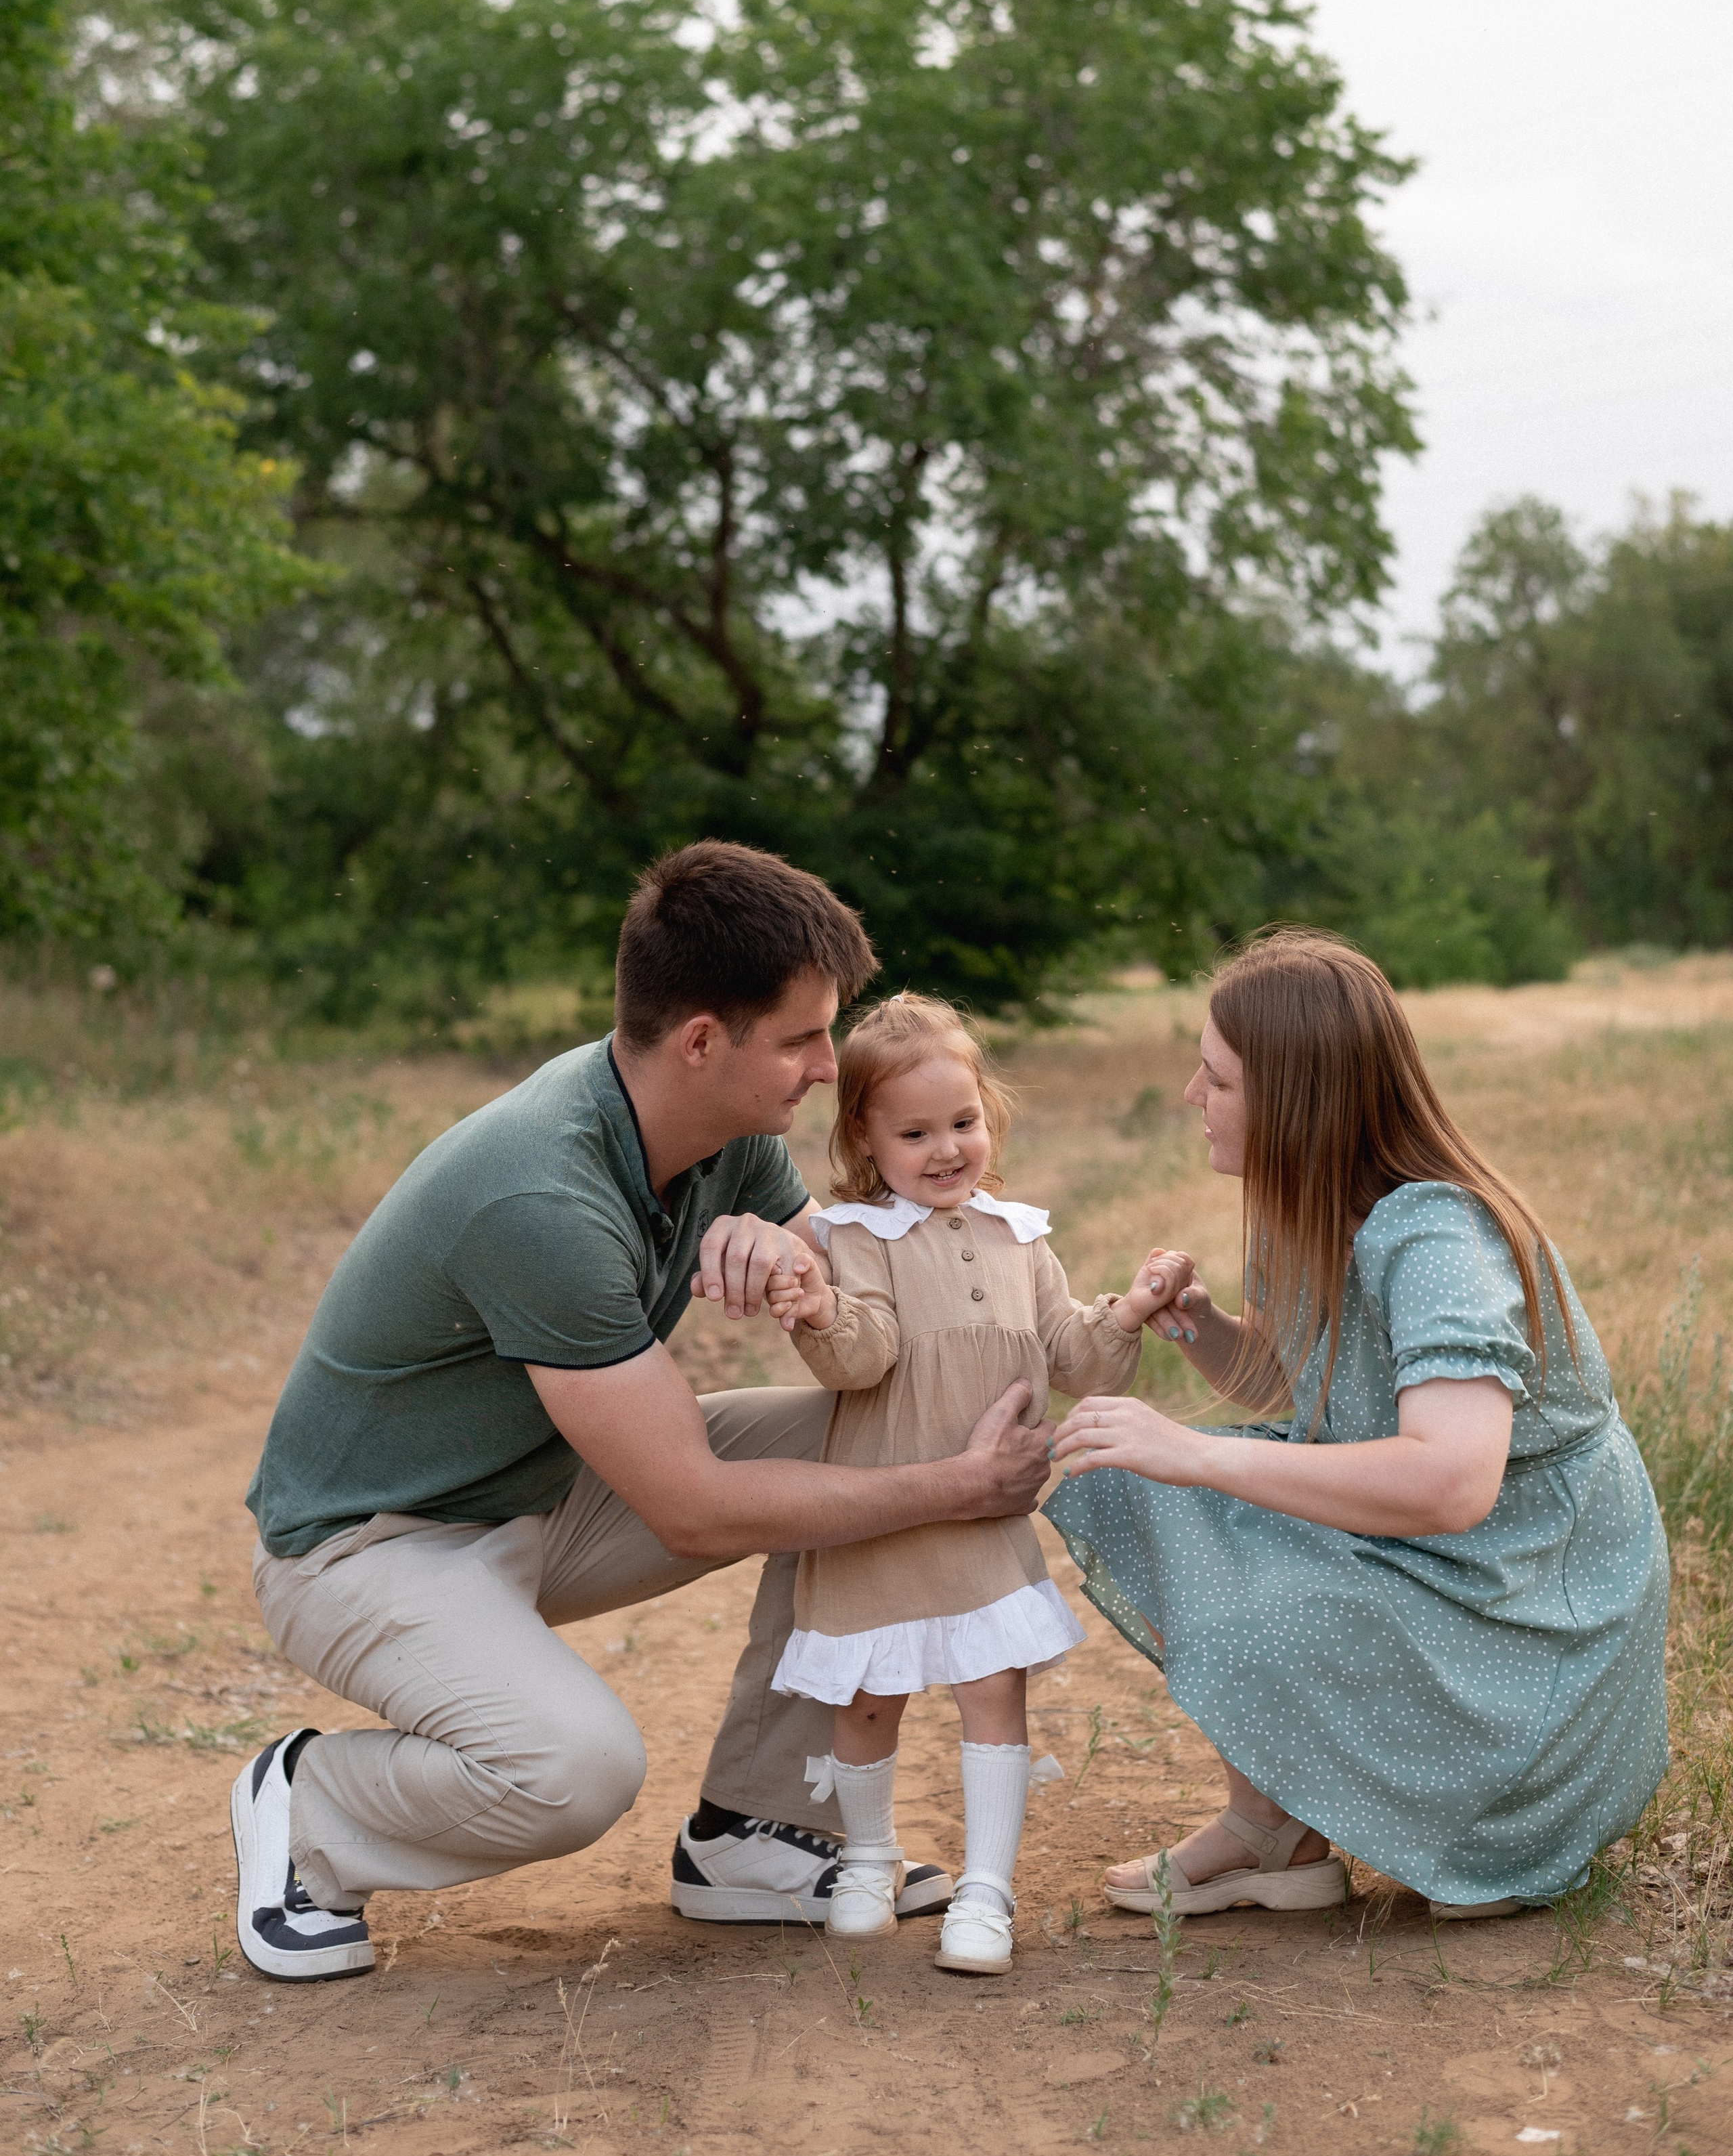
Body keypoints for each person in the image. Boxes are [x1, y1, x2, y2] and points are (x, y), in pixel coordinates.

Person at [229, 842, 1049, 1981]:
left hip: (543, 1493)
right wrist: (955, 1488)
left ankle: (759, 1830)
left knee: (875, 1431)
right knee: (575, 1769)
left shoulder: (727, 1131)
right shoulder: (540, 1194)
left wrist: (803, 1265)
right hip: (373, 1544)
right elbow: (693, 1511)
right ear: (702, 1040)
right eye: (802, 1040)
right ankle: (313, 1809)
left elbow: (875, 1305)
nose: (827, 1068)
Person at [1046, 928, 1669, 1922]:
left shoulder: (1436, 1233)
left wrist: (1199, 1453)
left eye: (1218, 1079)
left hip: (1527, 1607)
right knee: (1137, 1477)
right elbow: (1303, 1384)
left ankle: (1489, 1814)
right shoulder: (1307, 1209)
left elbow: (1452, 1482)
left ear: (1296, 1100)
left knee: (1187, 1478)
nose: (1192, 1095)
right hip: (1448, 1566)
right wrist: (1200, 1327)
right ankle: (1272, 1832)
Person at [762, 995, 1179, 1972]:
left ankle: (987, 1889)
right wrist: (819, 1309)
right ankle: (869, 1857)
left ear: (989, 1112)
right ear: (864, 1138)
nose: (946, 1149)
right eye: (914, 1133)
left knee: (994, 1687)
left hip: (984, 1524)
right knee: (869, 1700)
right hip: (883, 1510)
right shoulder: (857, 1237)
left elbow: (1072, 1351)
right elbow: (862, 1357)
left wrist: (1131, 1312)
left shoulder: (1019, 1235)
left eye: (963, 1122)